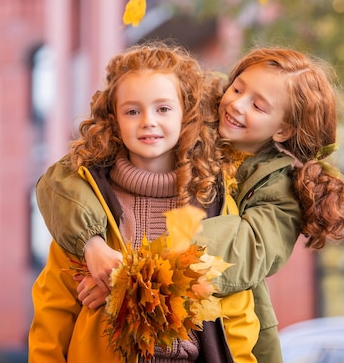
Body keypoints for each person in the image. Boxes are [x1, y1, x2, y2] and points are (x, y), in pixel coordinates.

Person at [35, 46, 344, 363]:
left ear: (284, 128)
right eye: (237, 87)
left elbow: (238, 254)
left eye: (258, 105)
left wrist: (128, 282)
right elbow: (60, 183)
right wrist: (92, 244)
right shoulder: (190, 137)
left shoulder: (273, 191)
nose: (235, 104)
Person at [29, 41, 260, 363]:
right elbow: (53, 308)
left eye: (163, 109)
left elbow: (237, 311)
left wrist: (122, 286)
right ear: (114, 119)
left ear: (187, 114)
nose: (148, 121)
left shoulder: (212, 201)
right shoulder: (87, 202)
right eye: (133, 111)